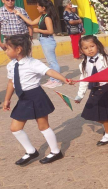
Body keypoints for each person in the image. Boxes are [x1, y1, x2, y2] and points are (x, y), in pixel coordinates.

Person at [3, 34, 68, 165]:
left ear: (18, 49)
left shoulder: (33, 63)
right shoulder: (11, 65)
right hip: (23, 98)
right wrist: (7, 99)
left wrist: (64, 79)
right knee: (15, 128)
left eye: (7, 48)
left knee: (43, 126)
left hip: (36, 96)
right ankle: (31, 151)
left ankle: (56, 152)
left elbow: (49, 71)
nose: (5, 51)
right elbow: (11, 83)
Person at [73, 35, 108, 146]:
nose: (90, 49)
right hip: (94, 90)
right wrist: (80, 95)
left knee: (102, 114)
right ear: (81, 50)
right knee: (91, 113)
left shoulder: (106, 58)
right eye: (86, 48)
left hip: (105, 89)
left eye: (92, 46)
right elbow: (84, 80)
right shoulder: (83, 64)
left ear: (97, 45)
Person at [16, 0, 62, 88]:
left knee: (52, 62)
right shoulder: (42, 16)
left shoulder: (47, 17)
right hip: (44, 40)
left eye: (38, 6)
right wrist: (20, 14)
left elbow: (50, 31)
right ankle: (53, 79)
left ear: (43, 7)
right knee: (50, 61)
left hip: (48, 40)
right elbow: (31, 22)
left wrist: (38, 30)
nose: (37, 8)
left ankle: (56, 80)